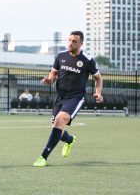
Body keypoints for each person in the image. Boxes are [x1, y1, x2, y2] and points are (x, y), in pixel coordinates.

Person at [33, 31, 103, 167]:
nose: (71, 43)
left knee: (60, 120)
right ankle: (69, 140)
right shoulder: (61, 56)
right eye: (69, 40)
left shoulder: (88, 60)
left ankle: (43, 157)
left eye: (74, 41)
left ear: (81, 43)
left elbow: (98, 78)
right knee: (57, 126)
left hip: (75, 98)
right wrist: (49, 80)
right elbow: (53, 74)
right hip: (60, 97)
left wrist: (98, 93)